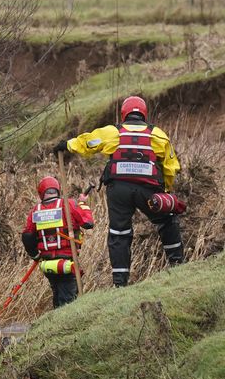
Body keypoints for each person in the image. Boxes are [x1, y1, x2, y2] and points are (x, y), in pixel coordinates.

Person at [53, 95, 183, 287]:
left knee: (119, 233)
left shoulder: (113, 132)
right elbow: (171, 167)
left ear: (124, 114)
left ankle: (120, 283)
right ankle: (178, 265)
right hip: (149, 191)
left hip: (119, 191)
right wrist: (166, 190)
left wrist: (68, 145)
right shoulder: (158, 135)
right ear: (144, 114)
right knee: (166, 222)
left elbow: (89, 142)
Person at [21, 176, 94, 308]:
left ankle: (55, 321)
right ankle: (66, 324)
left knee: (58, 293)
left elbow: (27, 236)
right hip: (67, 261)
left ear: (41, 193)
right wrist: (82, 204)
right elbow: (88, 223)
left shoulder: (35, 211)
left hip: (47, 263)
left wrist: (35, 256)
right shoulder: (69, 204)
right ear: (58, 190)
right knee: (68, 300)